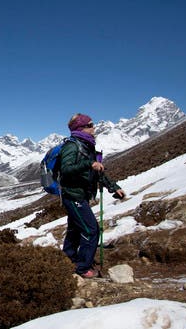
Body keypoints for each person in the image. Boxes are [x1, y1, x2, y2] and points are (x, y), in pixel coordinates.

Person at [60, 113, 126, 278]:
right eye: (90, 125)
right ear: (81, 128)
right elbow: (66, 170)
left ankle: (67, 259)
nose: (94, 127)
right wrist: (89, 163)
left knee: (75, 229)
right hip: (73, 196)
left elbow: (97, 172)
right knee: (90, 229)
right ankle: (83, 268)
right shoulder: (72, 146)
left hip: (80, 195)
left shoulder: (87, 146)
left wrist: (113, 187)